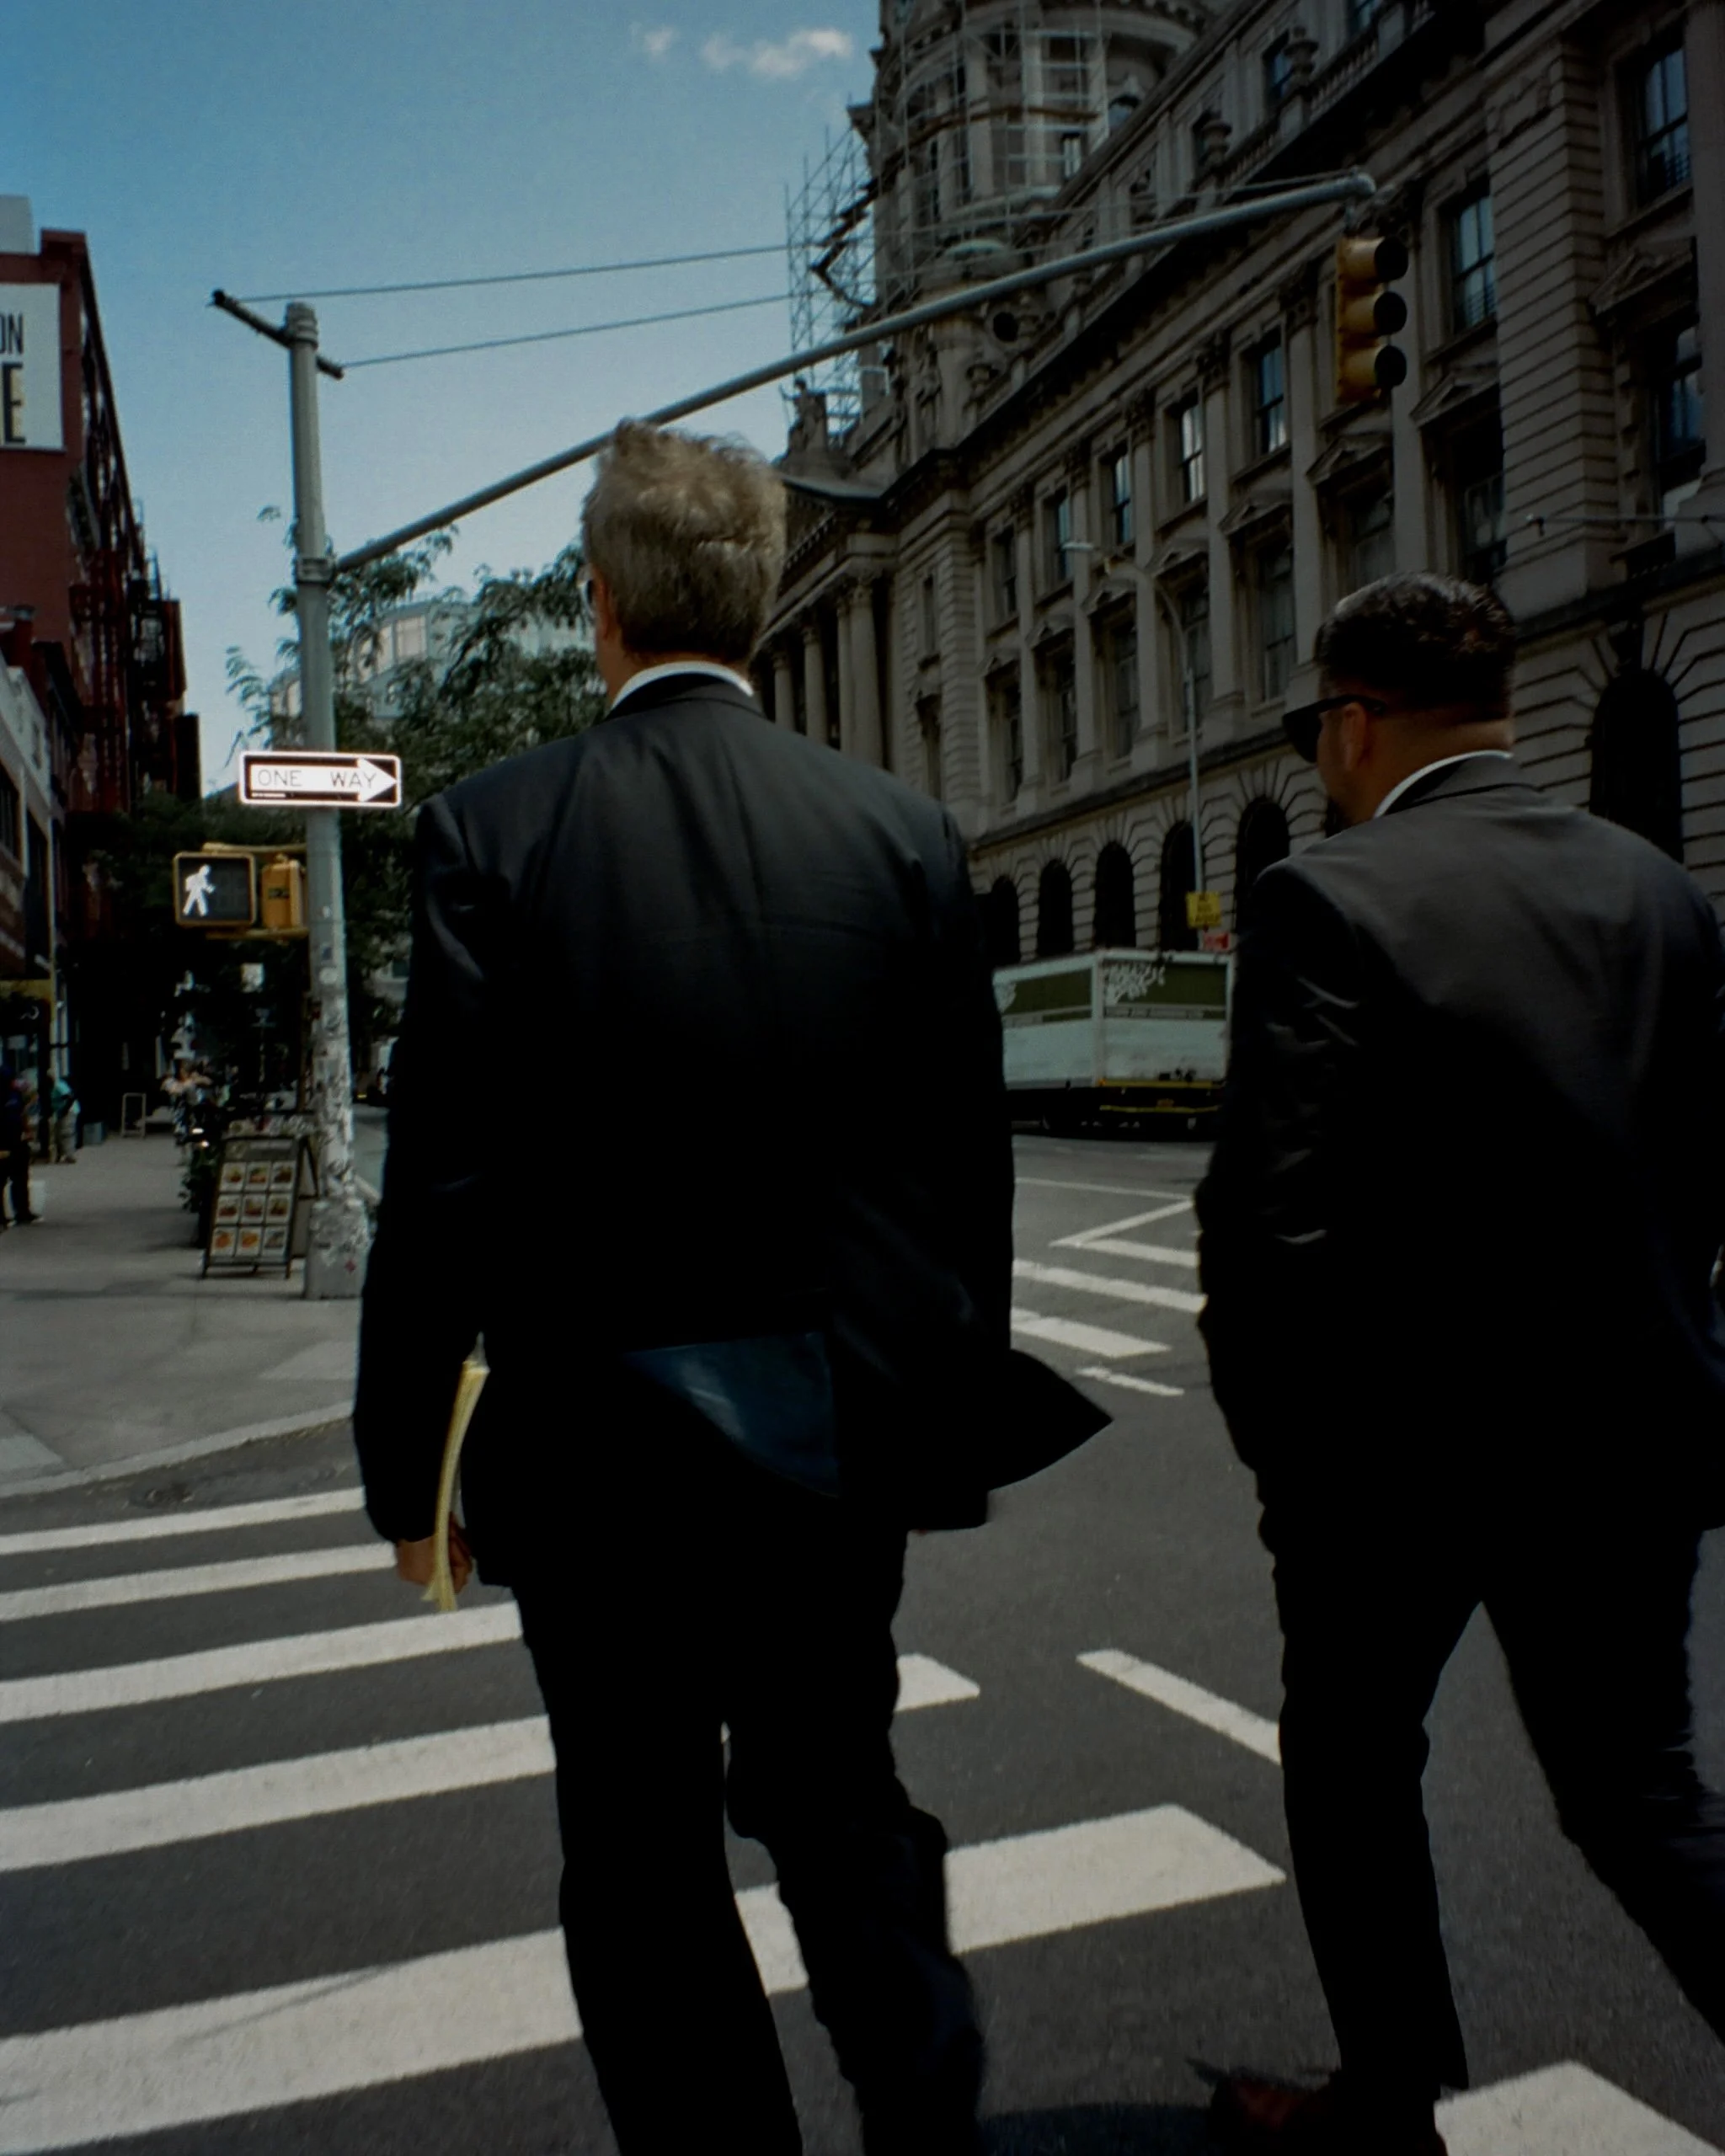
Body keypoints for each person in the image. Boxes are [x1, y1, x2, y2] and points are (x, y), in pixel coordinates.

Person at [355, 421, 1100, 2156]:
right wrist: (938, 1410)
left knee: (636, 1851)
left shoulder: (493, 828)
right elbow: (955, 1171)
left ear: (598, 603)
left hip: (598, 1459)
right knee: (838, 1793)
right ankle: (923, 2072)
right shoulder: (900, 831)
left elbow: (441, 1192)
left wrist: (411, 1472)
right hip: (827, 1443)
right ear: (757, 605)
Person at [1196, 573, 1725, 2153]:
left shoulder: (1328, 896)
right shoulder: (1658, 892)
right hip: (1630, 1432)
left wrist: (1287, 1463)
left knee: (1352, 1767)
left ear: (1351, 726)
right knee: (1641, 1800)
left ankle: (1387, 2099)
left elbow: (1269, 1226)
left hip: (1395, 1464)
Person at [0, 1066, 34, 1225]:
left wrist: (27, 1131)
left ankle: (22, 1212)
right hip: (3, 1144)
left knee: (21, 1178)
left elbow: (22, 1113)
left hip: (18, 1142)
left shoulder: (16, 1094)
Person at [50, 1075, 77, 1163]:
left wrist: (65, 1110)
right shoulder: (52, 1088)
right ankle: (61, 1154)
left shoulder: (59, 1086)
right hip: (60, 1113)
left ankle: (70, 1155)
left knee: (67, 1133)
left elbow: (71, 1097)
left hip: (68, 1111)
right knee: (58, 1134)